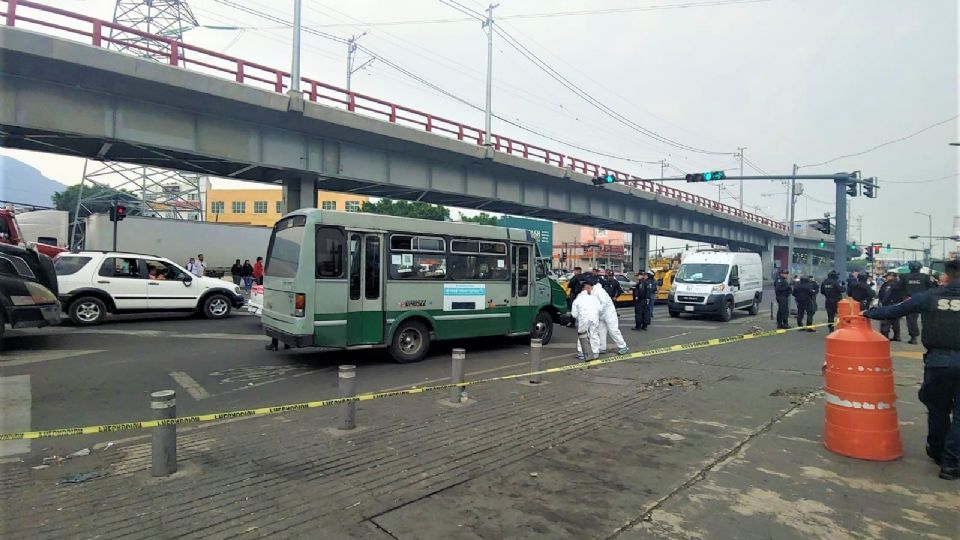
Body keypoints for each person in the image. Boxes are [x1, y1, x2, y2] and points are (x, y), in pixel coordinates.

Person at [863, 259, 960, 481]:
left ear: (947, 275)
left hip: (938, 362)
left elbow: (894, 310)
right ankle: (951, 465)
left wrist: (867, 313)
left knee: (938, 409)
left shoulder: (931, 296)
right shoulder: (930, 292)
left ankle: (936, 451)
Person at [590, 276, 629, 355]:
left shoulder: (599, 291)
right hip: (601, 314)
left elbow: (603, 303)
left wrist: (597, 310)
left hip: (609, 312)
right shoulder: (592, 291)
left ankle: (623, 346)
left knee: (613, 330)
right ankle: (602, 347)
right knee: (601, 331)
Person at [899, 261, 935, 345]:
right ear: (920, 268)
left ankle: (913, 337)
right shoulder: (925, 277)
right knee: (926, 320)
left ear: (909, 268)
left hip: (910, 300)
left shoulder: (904, 277)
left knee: (911, 320)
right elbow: (932, 287)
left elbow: (899, 288)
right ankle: (928, 337)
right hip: (924, 300)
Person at [571, 280, 602, 361]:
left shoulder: (577, 299)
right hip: (594, 318)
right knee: (594, 334)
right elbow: (600, 309)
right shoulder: (594, 298)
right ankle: (595, 352)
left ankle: (581, 353)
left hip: (583, 319)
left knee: (582, 336)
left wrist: (579, 317)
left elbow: (574, 314)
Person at [877, 271, 903, 341]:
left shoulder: (888, 285)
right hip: (897, 305)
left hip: (888, 305)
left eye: (887, 277)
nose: (885, 278)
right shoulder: (898, 284)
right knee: (895, 321)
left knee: (886, 320)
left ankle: (885, 335)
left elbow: (886, 294)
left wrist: (883, 303)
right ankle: (897, 336)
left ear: (891, 277)